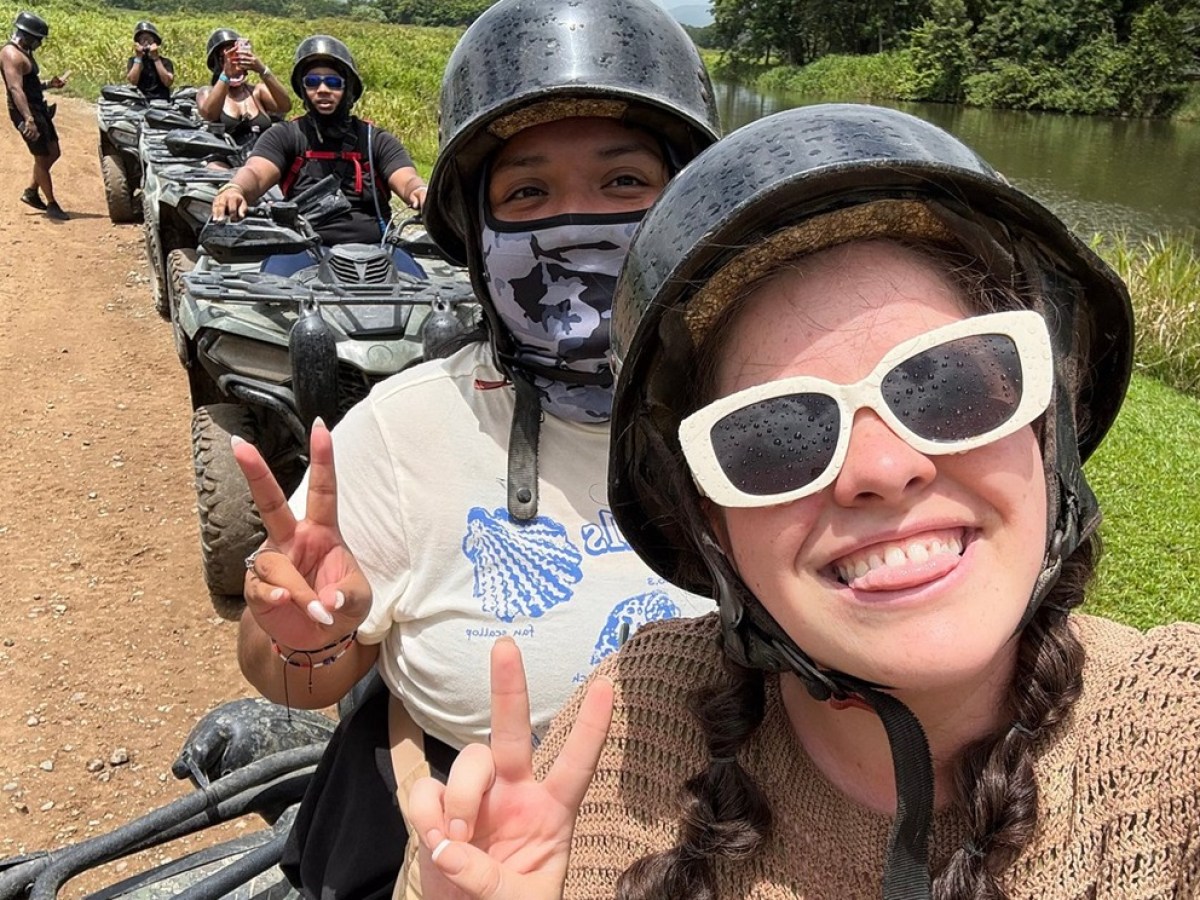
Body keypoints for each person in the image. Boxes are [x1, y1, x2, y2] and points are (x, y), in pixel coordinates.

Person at [407, 104, 1200, 900]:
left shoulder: (1171, 744)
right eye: (774, 435)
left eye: (949, 385)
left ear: (1047, 420)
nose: (884, 469)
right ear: (708, 520)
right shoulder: (636, 724)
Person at [229, 2, 720, 898]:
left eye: (622, 184)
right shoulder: (404, 427)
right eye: (527, 193)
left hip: (724, 831)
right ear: (481, 233)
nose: (577, 223)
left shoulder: (761, 407)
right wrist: (308, 636)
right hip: (460, 837)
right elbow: (286, 676)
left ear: (686, 200)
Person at [210, 35, 426, 278]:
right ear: (303, 89)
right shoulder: (286, 135)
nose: (323, 90)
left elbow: (406, 178)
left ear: (349, 89)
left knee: (429, 301)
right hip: (302, 247)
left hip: (377, 249)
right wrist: (236, 188)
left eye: (333, 82)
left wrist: (420, 192)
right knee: (270, 305)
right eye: (313, 82)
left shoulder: (374, 139)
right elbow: (256, 172)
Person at [2, 11, 68, 220]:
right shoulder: (11, 55)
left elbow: (29, 85)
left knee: (53, 152)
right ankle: (51, 203)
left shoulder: (24, 51)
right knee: (41, 156)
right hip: (25, 111)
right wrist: (28, 119)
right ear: (27, 35)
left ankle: (31, 191)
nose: (39, 43)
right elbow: (16, 89)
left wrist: (50, 84)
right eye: (38, 39)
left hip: (37, 108)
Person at [196, 28, 290, 147]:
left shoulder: (257, 91)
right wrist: (226, 75)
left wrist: (262, 70)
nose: (233, 62)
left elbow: (285, 106)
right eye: (227, 58)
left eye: (237, 56)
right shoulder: (207, 92)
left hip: (261, 155)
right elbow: (210, 114)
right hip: (225, 158)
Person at [125, 21, 173, 101]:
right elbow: (133, 81)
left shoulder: (165, 62)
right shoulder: (133, 61)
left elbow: (167, 82)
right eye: (142, 39)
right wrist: (139, 57)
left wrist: (156, 58)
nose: (146, 42)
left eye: (148, 39)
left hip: (161, 101)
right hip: (139, 100)